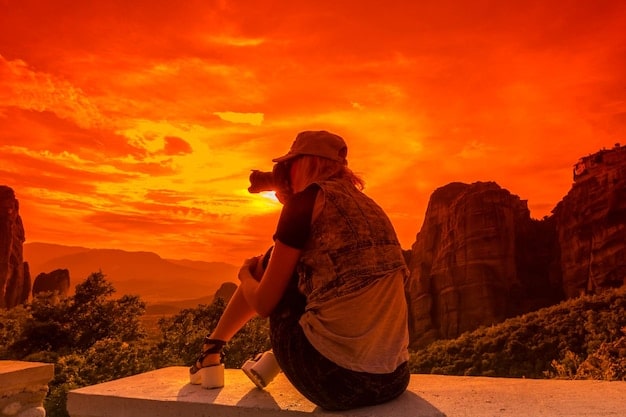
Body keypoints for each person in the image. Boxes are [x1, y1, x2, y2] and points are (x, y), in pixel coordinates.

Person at [189, 130, 410, 411]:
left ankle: (211, 351)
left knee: (266, 265)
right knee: (307, 279)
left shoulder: (306, 201)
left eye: (288, 164)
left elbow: (264, 303)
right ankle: (264, 359)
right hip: (394, 379)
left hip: (333, 382)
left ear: (303, 164)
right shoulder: (369, 206)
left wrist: (244, 275)